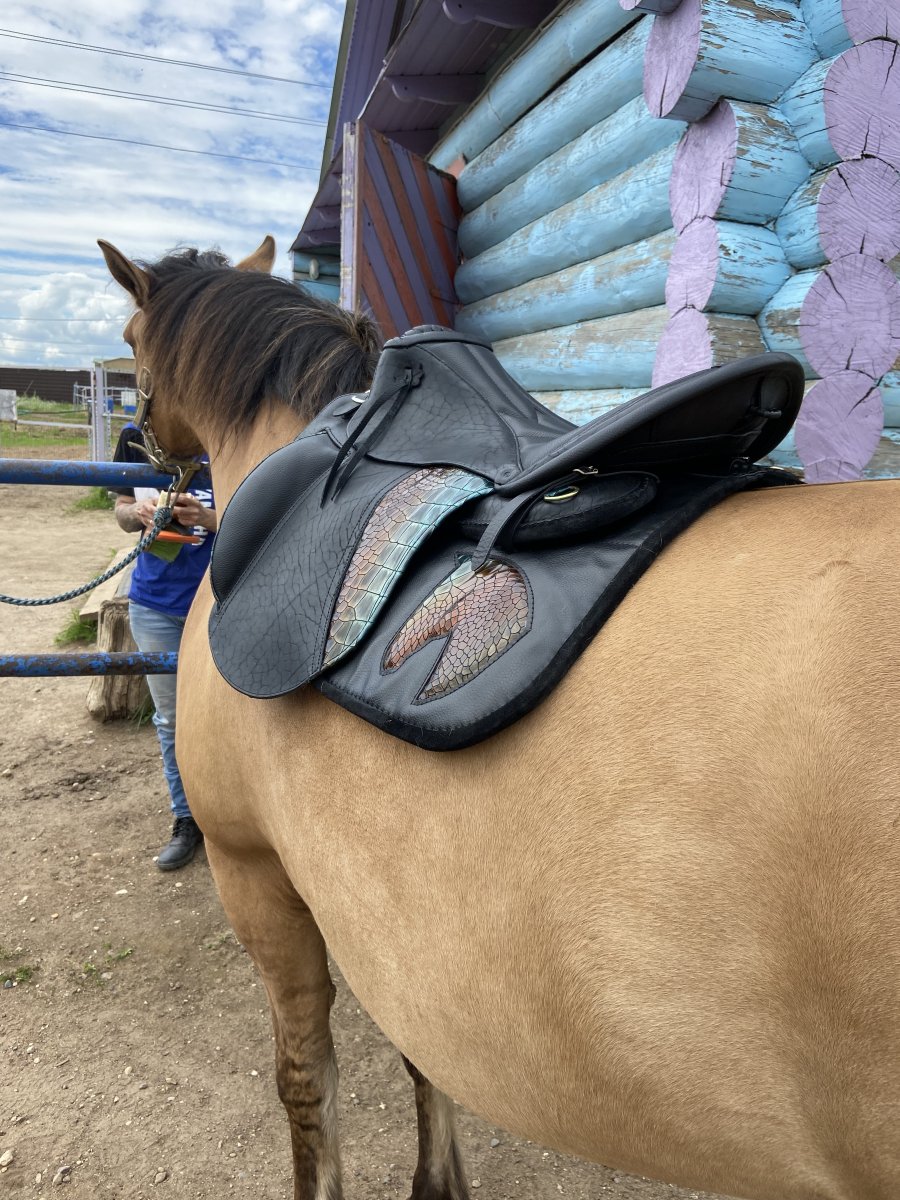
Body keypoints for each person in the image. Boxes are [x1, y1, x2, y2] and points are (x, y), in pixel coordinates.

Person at [111, 424, 216, 870]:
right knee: (172, 718)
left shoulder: (226, 420)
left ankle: (231, 815)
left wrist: (207, 518)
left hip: (216, 600)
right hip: (154, 602)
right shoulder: (136, 435)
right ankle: (186, 818)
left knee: (227, 713)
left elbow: (261, 511)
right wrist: (138, 511)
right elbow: (119, 511)